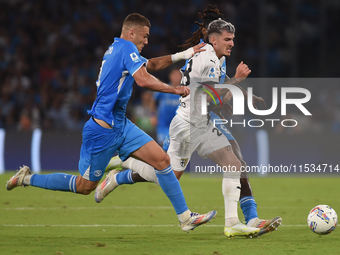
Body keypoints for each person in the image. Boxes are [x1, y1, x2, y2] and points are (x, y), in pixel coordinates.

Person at [6, 13, 217, 233]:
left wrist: (185, 53)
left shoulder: (120, 50)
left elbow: (151, 65)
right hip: (102, 131)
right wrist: (175, 89)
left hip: (121, 125)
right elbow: (143, 79)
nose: (147, 41)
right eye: (144, 37)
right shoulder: (126, 49)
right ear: (131, 32)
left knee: (163, 161)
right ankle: (27, 179)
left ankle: (185, 218)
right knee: (84, 186)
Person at [98, 6, 281, 236]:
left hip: (203, 123)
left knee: (235, 163)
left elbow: (216, 87)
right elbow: (209, 97)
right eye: (227, 38)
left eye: (232, 38)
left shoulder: (215, 56)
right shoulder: (205, 57)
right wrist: (236, 81)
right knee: (167, 176)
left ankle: (235, 223)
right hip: (187, 125)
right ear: (212, 37)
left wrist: (242, 93)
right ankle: (125, 166)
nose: (232, 43)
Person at [153, 69, 182, 144]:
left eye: (178, 75)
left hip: (179, 124)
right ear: (170, 76)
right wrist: (153, 115)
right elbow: (152, 100)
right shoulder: (164, 88)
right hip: (164, 123)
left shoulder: (185, 90)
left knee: (177, 147)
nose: (176, 77)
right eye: (174, 74)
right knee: (164, 145)